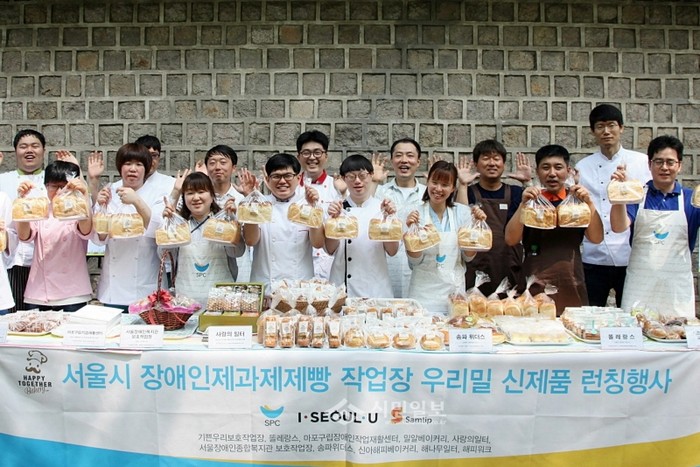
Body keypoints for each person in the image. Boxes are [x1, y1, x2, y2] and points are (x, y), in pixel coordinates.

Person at [505, 144, 604, 316]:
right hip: (534, 280)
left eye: (558, 167)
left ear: (568, 170)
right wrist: (523, 205)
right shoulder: (530, 200)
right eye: (546, 167)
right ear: (537, 171)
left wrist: (589, 203)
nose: (552, 173)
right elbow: (510, 239)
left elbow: (596, 238)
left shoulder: (577, 201)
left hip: (571, 280)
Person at [610, 135, 700, 318]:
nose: (664, 167)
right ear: (649, 164)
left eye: (670, 162)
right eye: (658, 161)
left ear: (680, 166)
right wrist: (619, 194)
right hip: (640, 286)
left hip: (676, 290)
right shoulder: (637, 195)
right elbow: (618, 227)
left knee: (678, 333)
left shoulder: (692, 199)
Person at [576, 104, 652, 307]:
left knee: (632, 313)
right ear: (593, 131)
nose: (606, 131)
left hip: (632, 256)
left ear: (622, 128)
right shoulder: (583, 167)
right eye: (600, 126)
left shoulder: (642, 162)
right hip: (594, 255)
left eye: (611, 125)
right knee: (591, 314)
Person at [92, 143, 164, 311]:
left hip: (146, 283)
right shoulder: (109, 191)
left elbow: (159, 231)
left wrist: (136, 201)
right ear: (120, 167)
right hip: (114, 288)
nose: (133, 169)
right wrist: (100, 204)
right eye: (127, 163)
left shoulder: (158, 193)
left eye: (139, 164)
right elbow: (99, 238)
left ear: (146, 168)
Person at [405, 161, 484, 314]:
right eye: (434, 182)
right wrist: (411, 236)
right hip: (422, 293)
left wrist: (475, 229)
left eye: (445, 185)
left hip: (454, 294)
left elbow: (468, 257)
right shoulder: (414, 213)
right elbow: (414, 261)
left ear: (453, 188)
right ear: (427, 182)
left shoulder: (462, 213)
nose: (438, 189)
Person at [455, 139, 530, 296]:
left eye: (496, 158)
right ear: (476, 164)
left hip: (509, 268)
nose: (492, 163)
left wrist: (528, 183)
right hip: (475, 271)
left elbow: (534, 216)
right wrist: (462, 184)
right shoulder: (468, 192)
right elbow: (461, 222)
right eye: (486, 158)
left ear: (503, 164)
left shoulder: (516, 193)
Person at [16, 161, 93, 311]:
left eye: (64, 186)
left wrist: (84, 197)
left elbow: (86, 231)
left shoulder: (79, 209)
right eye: (54, 186)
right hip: (39, 291)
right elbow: (24, 236)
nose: (59, 191)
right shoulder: (41, 209)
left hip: (73, 292)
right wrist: (22, 203)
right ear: (46, 186)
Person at [159, 172, 245, 305]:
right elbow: (163, 255)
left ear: (212, 196)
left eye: (201, 192)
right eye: (190, 193)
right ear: (184, 198)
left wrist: (232, 221)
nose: (196, 197)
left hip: (221, 303)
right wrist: (167, 225)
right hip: (185, 304)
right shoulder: (180, 227)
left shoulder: (222, 224)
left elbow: (237, 252)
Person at [242, 153, 325, 291]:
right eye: (276, 176)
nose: (282, 181)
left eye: (288, 176)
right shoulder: (260, 204)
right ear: (267, 179)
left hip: (300, 288)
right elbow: (250, 240)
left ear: (298, 178)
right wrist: (251, 200)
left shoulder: (306, 204)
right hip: (266, 287)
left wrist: (312, 207)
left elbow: (318, 243)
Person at [326, 155, 399, 298]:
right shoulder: (337, 208)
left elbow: (392, 251)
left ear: (371, 176)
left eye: (362, 175)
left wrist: (388, 219)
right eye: (351, 176)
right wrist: (333, 220)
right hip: (342, 288)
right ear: (344, 178)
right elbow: (330, 249)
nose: (357, 181)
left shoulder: (383, 209)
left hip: (376, 288)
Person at [372, 138, 426, 298]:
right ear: (391, 161)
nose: (404, 160)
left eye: (410, 155)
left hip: (418, 273)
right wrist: (374, 181)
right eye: (398, 155)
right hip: (385, 271)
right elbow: (364, 215)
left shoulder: (428, 194)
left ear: (418, 162)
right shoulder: (379, 191)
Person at [0, 129, 47, 311]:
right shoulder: (3, 180)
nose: (29, 150)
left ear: (43, 150)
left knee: (43, 319)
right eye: (23, 146)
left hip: (46, 260)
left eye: (35, 146)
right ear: (15, 151)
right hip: (13, 261)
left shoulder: (53, 180)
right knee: (14, 316)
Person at [296, 130, 345, 280]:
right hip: (299, 262)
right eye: (306, 153)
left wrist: (344, 193)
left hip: (331, 262)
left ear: (326, 156)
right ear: (298, 157)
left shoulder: (338, 187)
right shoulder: (290, 189)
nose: (312, 157)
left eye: (317, 152)